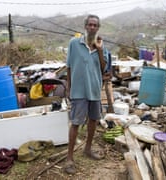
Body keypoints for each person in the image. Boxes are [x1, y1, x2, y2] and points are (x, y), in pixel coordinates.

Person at [65, 14, 109, 174]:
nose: (92, 27)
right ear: (85, 26)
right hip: (78, 90)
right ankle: (69, 158)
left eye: (95, 25)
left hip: (95, 90)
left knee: (93, 120)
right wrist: (68, 87)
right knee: (76, 123)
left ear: (98, 28)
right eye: (89, 25)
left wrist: (99, 50)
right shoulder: (74, 43)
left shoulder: (102, 47)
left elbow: (104, 69)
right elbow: (69, 66)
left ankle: (87, 149)